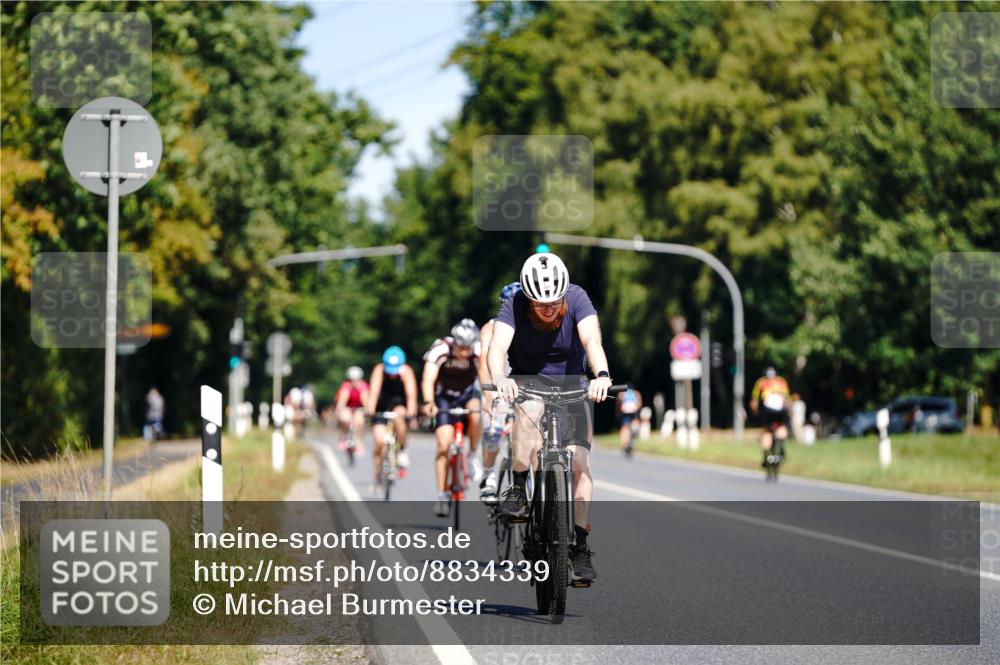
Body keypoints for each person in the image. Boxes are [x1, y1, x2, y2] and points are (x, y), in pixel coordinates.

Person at [487, 252, 614, 584]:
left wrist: (601, 375)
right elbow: (497, 348)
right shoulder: (513, 304)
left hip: (574, 383)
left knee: (580, 464)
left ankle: (579, 546)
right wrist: (501, 378)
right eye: (539, 303)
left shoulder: (577, 298)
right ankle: (516, 489)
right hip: (527, 380)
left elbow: (592, 340)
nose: (547, 308)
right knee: (529, 412)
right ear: (527, 298)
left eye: (554, 302)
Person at [422, 319, 483, 518]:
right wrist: (429, 401)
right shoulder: (440, 349)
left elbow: (485, 378)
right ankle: (441, 495)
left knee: (476, 412)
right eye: (460, 347)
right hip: (444, 397)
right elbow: (428, 378)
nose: (464, 352)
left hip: (467, 396)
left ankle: (473, 455)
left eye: (468, 348)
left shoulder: (478, 352)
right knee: (443, 444)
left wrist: (490, 402)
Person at [477, 281, 522, 503]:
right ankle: (489, 475)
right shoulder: (491, 327)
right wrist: (489, 396)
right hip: (496, 384)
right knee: (493, 432)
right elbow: (484, 362)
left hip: (523, 384)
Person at [366, 347, 418, 494]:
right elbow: (374, 391)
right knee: (378, 441)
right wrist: (370, 409)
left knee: (399, 416)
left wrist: (411, 412)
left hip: (398, 404)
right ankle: (377, 478)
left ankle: (402, 449)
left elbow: (411, 394)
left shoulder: (406, 371)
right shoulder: (379, 370)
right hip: (381, 407)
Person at [749, 366, 791, 466]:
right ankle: (781, 448)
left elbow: (754, 401)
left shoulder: (761, 382)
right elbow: (787, 400)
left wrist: (755, 413)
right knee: (782, 428)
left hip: (766, 411)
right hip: (781, 411)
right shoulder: (782, 381)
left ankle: (766, 457)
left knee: (766, 431)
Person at [334, 366, 369, 452]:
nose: (354, 381)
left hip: (359, 408)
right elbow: (342, 399)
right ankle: (343, 436)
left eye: (356, 379)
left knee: (360, 421)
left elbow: (365, 400)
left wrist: (367, 409)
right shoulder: (346, 386)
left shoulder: (363, 386)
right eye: (352, 379)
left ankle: (359, 441)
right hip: (348, 407)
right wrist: (340, 408)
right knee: (345, 418)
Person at [616, 384, 643, 455]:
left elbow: (618, 403)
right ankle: (632, 438)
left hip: (625, 412)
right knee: (633, 424)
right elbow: (639, 403)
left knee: (625, 427)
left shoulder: (622, 393)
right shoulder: (636, 393)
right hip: (633, 411)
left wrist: (618, 412)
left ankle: (625, 443)